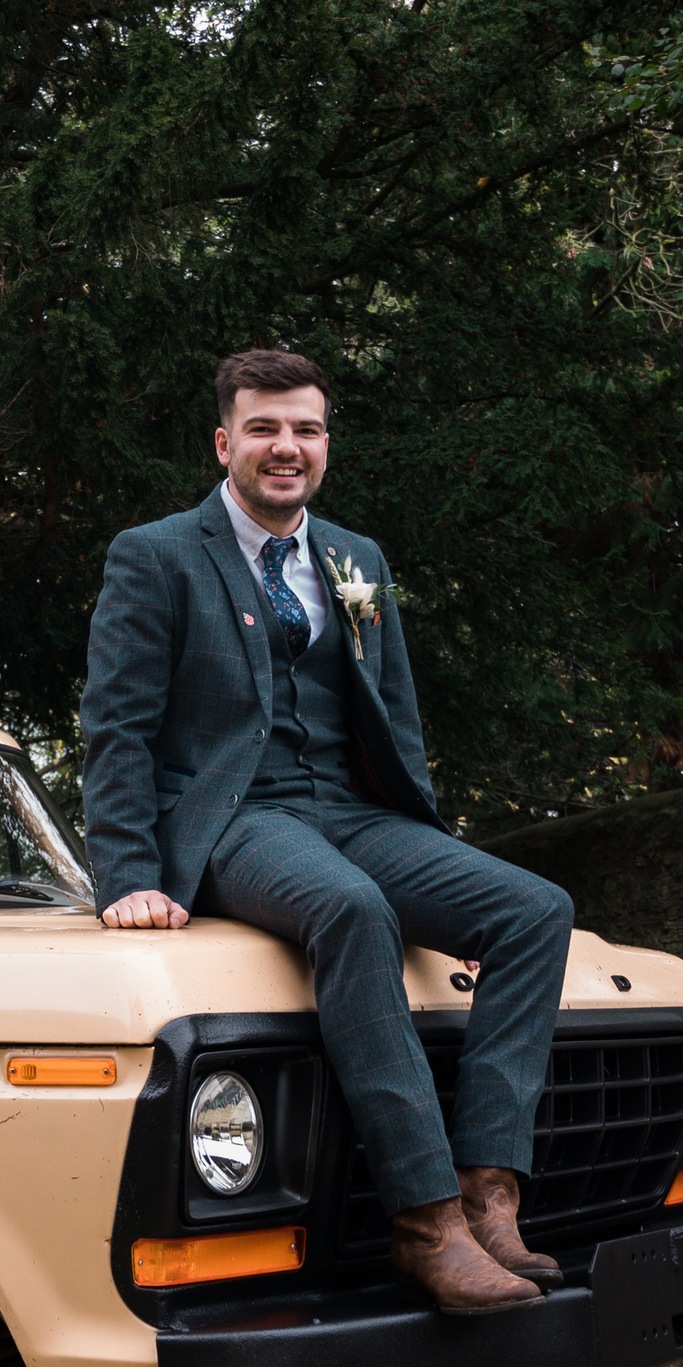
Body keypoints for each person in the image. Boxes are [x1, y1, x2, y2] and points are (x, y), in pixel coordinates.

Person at [79, 348, 575, 1314]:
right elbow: (119, 725)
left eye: (305, 428)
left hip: (356, 812)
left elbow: (397, 715)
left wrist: (433, 846)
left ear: (325, 443)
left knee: (534, 910)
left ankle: (489, 1192)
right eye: (264, 428)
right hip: (235, 817)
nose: (286, 447)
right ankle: (426, 1223)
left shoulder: (358, 560)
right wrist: (128, 875)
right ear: (225, 442)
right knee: (351, 912)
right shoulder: (157, 554)